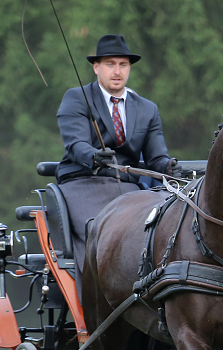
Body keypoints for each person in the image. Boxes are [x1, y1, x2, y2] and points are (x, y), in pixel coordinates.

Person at [55, 34, 179, 298]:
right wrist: (93, 155)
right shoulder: (77, 98)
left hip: (128, 188)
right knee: (98, 227)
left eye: (123, 64)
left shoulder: (147, 109)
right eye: (110, 64)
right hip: (84, 182)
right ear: (96, 67)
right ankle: (95, 296)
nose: (117, 71)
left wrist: (170, 167)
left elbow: (157, 159)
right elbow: (76, 145)